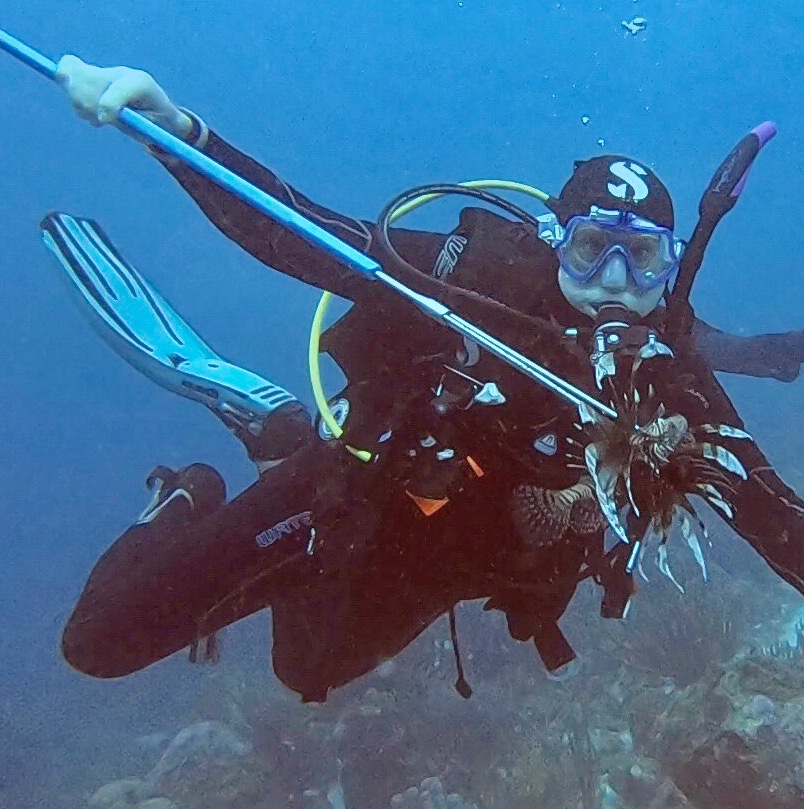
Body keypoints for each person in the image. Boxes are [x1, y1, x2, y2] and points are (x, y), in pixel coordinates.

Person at [52, 57, 803, 702]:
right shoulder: (476, 284)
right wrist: (182, 135)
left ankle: (273, 432)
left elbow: (774, 518)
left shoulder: (671, 382)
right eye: (592, 250)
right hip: (354, 491)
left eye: (642, 261)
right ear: (553, 245)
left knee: (301, 671)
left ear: (671, 271)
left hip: (448, 566)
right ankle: (206, 483)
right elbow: (306, 238)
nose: (615, 282)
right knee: (99, 642)